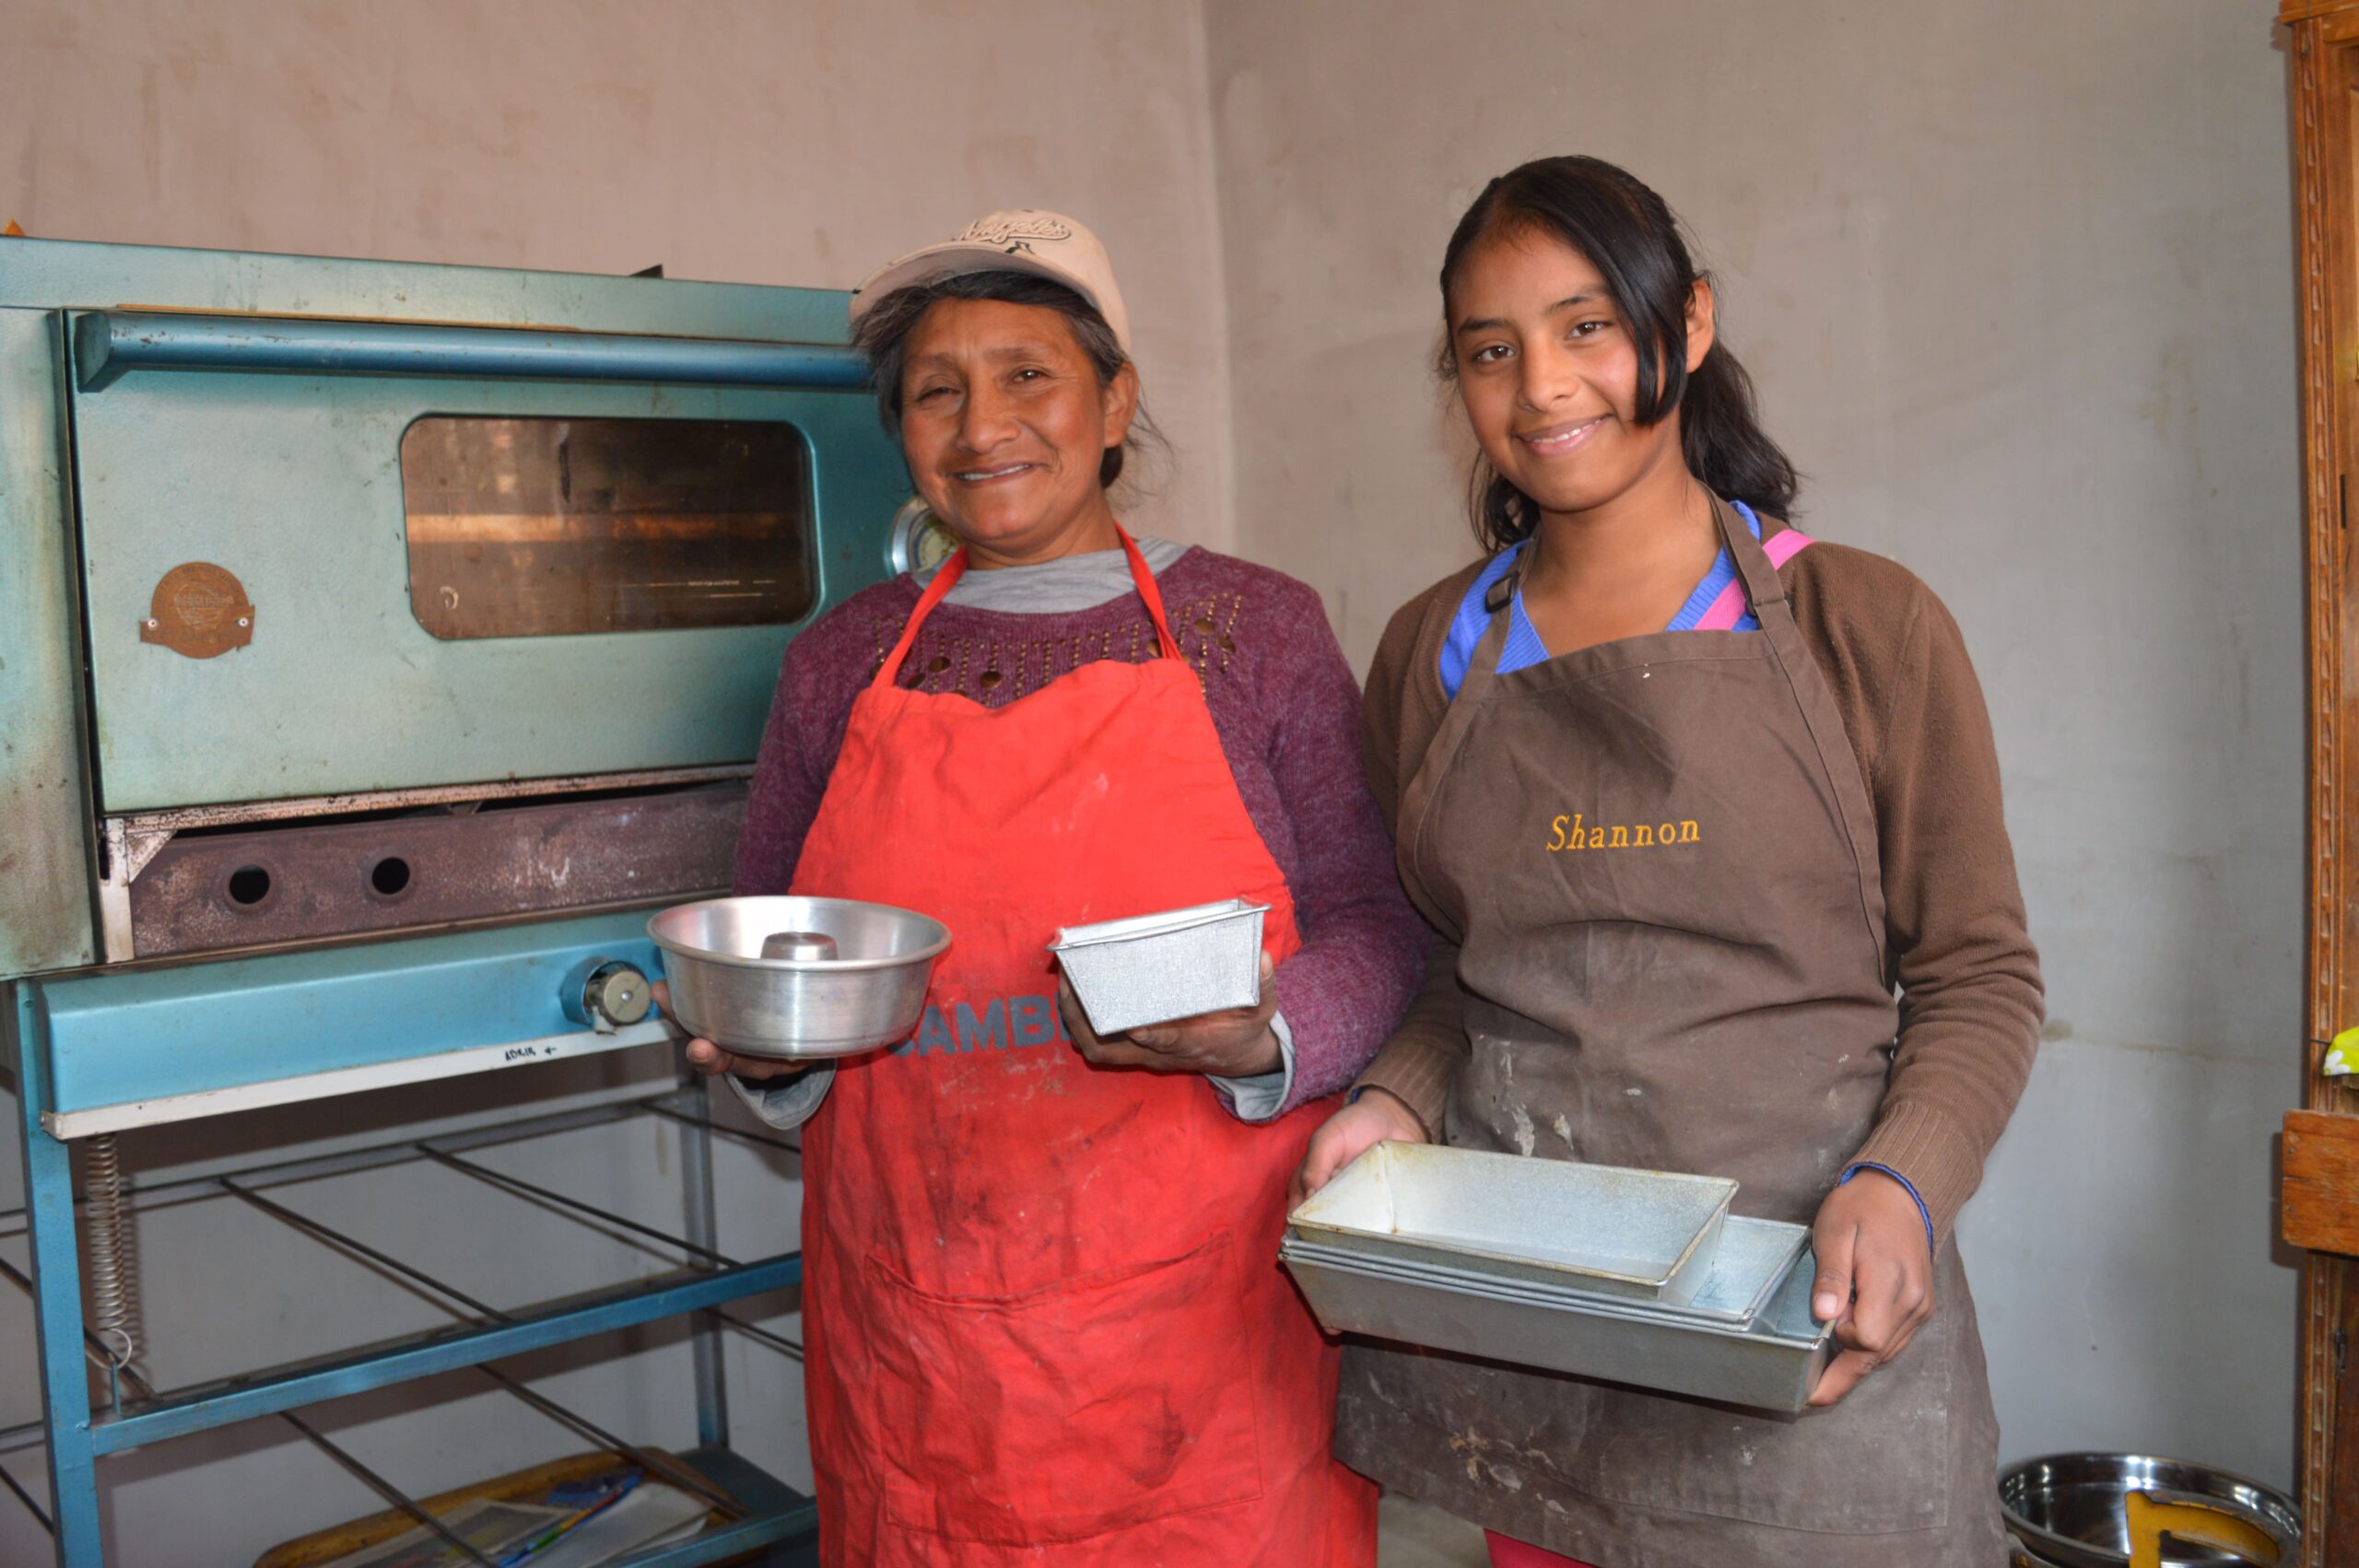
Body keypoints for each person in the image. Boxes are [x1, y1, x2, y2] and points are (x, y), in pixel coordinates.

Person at [1292, 158, 2043, 1567]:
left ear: (1687, 324)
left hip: (1804, 1332)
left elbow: (1979, 976)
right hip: (1535, 1344)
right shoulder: (1434, 649)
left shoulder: (1861, 624)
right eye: (1489, 350)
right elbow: (1457, 969)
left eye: (1586, 327)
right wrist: (1391, 1101)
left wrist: (1906, 1183)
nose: (1541, 388)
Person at [679, 209, 1421, 1566]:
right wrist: (770, 1053)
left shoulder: (1258, 630)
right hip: (922, 1345)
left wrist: (1266, 1035)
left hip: (1205, 1347)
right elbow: (777, 949)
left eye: (1028, 372)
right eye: (936, 389)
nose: (981, 425)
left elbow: (1383, 928)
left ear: (1114, 396)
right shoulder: (841, 663)